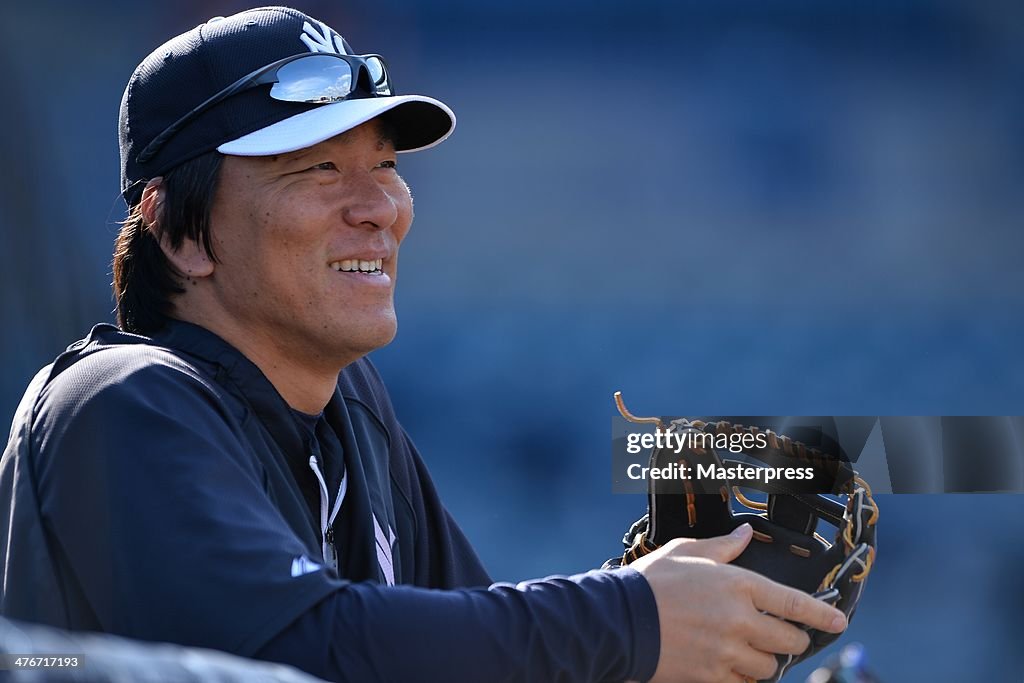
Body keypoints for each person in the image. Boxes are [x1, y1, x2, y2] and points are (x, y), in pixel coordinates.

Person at [0, 7, 847, 682]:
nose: (381, 205)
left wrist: (690, 619)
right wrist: (628, 618)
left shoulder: (352, 410)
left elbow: (469, 649)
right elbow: (305, 649)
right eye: (319, 170)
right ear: (176, 231)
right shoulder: (119, 401)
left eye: (384, 164)